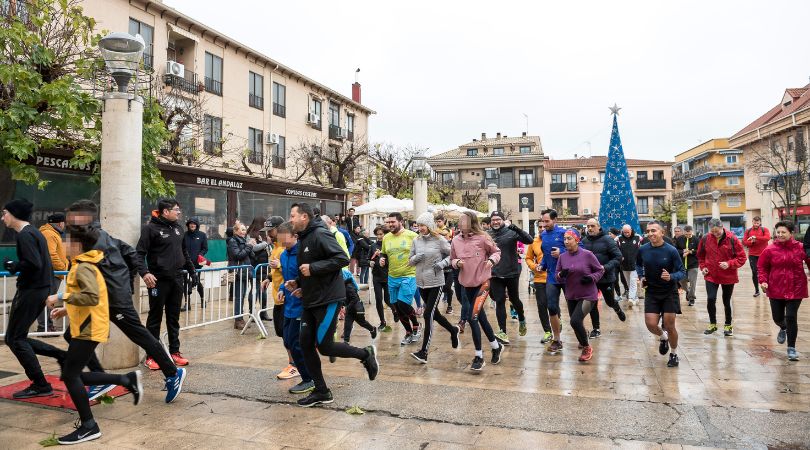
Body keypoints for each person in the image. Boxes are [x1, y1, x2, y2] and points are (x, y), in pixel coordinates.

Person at [66, 200, 186, 402]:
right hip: (103, 299)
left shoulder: (97, 237)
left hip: (114, 299)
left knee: (141, 335)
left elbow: (129, 254)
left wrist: (125, 284)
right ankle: (101, 379)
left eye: (71, 216)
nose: (67, 220)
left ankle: (173, 373)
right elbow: (130, 253)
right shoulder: (94, 235)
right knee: (72, 335)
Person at [45, 225, 143, 445]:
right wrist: (65, 308)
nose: (63, 244)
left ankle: (90, 426)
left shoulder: (84, 267)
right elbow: (86, 296)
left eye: (66, 240)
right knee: (72, 375)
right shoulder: (82, 264)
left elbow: (90, 296)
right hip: (87, 327)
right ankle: (126, 380)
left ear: (77, 245)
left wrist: (60, 296)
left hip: (88, 329)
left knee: (71, 376)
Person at [284, 203, 378, 407]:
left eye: (293, 215)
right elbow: (307, 268)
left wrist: (314, 268)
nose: (290, 219)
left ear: (304, 217)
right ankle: (322, 391)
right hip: (310, 299)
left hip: (328, 298)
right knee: (305, 343)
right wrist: (299, 283)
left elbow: (341, 258)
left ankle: (366, 354)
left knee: (325, 346)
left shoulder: (320, 234)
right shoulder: (304, 237)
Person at [2, 199, 65, 399]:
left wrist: (15, 265)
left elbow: (34, 263)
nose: (3, 217)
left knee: (15, 339)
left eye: (5, 213)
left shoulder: (25, 235)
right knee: (17, 337)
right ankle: (60, 355)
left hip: (31, 291)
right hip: (38, 289)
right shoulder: (34, 232)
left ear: (13, 214)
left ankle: (40, 383)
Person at [136, 198, 196, 366]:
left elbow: (183, 251)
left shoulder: (178, 228)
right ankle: (151, 356)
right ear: (165, 212)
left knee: (174, 317)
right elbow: (139, 254)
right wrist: (145, 273)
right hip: (158, 280)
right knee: (155, 318)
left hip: (177, 279)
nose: (179, 212)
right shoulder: (150, 229)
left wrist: (192, 270)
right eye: (176, 209)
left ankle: (174, 352)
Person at [450, 211, 503, 371]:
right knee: (481, 318)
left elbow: (496, 252)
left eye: (463, 220)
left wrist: (491, 261)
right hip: (466, 284)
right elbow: (451, 258)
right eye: (459, 220)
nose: (460, 223)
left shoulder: (483, 237)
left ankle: (479, 356)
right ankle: (495, 346)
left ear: (471, 222)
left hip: (483, 283)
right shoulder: (455, 240)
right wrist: (456, 262)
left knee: (472, 318)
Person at [267, 221, 315, 394]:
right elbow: (286, 277)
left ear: (295, 236)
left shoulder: (303, 254)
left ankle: (309, 378)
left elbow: (308, 277)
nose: (283, 244)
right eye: (280, 241)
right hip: (288, 305)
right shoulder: (284, 255)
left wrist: (303, 289)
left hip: (301, 307)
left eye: (285, 241)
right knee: (287, 340)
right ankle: (308, 375)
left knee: (296, 343)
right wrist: (281, 289)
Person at [408, 212, 460, 364]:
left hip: (436, 282)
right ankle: (453, 330)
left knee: (428, 314)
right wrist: (415, 258)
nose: (420, 228)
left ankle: (424, 352)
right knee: (434, 314)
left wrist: (442, 264)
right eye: (418, 226)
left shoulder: (439, 240)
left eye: (423, 225)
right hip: (421, 282)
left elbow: (452, 255)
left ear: (429, 226)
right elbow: (410, 261)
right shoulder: (416, 240)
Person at [636, 221, 686, 368]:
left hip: (669, 292)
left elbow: (681, 271)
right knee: (651, 324)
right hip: (651, 291)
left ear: (662, 233)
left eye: (654, 231)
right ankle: (663, 338)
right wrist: (641, 276)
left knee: (670, 325)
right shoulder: (643, 249)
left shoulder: (671, 250)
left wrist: (671, 276)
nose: (650, 234)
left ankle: (674, 354)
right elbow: (638, 264)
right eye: (648, 231)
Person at [758, 221, 808, 361]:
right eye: (778, 232)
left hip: (796, 287)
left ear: (791, 233)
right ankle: (783, 327)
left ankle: (791, 348)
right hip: (776, 288)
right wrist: (763, 281)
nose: (780, 234)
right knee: (777, 317)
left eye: (783, 232)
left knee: (791, 317)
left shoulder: (801, 248)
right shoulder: (769, 249)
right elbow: (762, 267)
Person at [555, 229, 605, 362]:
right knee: (576, 323)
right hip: (571, 295)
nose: (566, 241)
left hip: (588, 295)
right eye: (564, 239)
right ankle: (583, 338)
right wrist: (561, 275)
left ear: (577, 240)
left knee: (575, 321)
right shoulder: (562, 257)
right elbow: (557, 276)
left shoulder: (587, 255)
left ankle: (587, 347)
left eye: (569, 239)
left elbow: (600, 270)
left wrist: (591, 278)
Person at [487, 211, 533, 344]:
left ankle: (522, 318)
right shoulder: (488, 235)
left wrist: (517, 229)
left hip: (511, 272)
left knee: (514, 299)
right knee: (499, 300)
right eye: (493, 219)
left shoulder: (511, 232)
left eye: (498, 219)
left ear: (503, 220)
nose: (495, 222)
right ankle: (502, 331)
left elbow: (529, 240)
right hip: (495, 273)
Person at [696, 218, 746, 336]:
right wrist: (703, 267)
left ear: (722, 226)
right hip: (711, 275)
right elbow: (700, 256)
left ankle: (728, 325)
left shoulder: (732, 239)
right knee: (711, 299)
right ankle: (713, 324)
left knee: (726, 301)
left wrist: (729, 264)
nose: (715, 234)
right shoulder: (705, 238)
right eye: (713, 232)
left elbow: (742, 258)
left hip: (728, 275)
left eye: (717, 231)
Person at [581, 218, 626, 339]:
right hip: (590, 279)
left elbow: (618, 257)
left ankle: (617, 309)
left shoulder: (608, 240)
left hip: (605, 277)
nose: (590, 228)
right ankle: (596, 328)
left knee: (609, 301)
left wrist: (605, 267)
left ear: (599, 227)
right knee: (592, 303)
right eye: (588, 226)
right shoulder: (584, 241)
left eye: (593, 226)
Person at [381, 212, 421, 344]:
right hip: (392, 276)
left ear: (401, 222)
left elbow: (422, 253)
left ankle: (416, 325)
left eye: (393, 222)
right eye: (388, 222)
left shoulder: (413, 236)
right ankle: (408, 332)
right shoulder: (386, 238)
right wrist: (382, 259)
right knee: (397, 308)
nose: (390, 224)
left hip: (409, 275)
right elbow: (384, 254)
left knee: (403, 304)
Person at [539, 209, 568, 354]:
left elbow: (579, 250)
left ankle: (582, 336)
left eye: (547, 221)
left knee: (574, 309)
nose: (544, 225)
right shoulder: (543, 235)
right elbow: (546, 254)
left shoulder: (565, 233)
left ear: (555, 220)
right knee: (551, 307)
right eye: (542, 221)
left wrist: (561, 253)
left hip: (568, 277)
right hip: (551, 277)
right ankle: (557, 339)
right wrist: (542, 264)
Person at [38, 213, 68, 332]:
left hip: (54, 273)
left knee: (49, 300)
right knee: (48, 300)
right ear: (61, 223)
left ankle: (47, 326)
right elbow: (52, 255)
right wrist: (62, 268)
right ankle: (45, 326)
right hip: (53, 273)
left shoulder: (52, 233)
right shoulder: (49, 234)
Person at [525, 227, 553, 344]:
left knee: (552, 304)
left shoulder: (555, 239)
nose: (542, 228)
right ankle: (547, 331)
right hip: (539, 278)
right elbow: (528, 258)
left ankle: (558, 321)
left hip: (553, 278)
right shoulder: (534, 242)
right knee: (541, 305)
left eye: (544, 226)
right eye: (540, 226)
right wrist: (533, 266)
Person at [227, 223, 253, 329]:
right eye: (242, 229)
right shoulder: (232, 241)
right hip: (238, 272)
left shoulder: (244, 241)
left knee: (242, 296)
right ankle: (238, 320)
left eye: (244, 229)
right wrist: (249, 247)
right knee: (238, 297)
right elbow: (238, 255)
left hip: (245, 271)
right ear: (236, 231)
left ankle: (241, 318)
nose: (244, 231)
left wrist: (252, 247)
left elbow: (248, 255)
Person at [368, 226, 392, 332]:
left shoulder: (388, 245)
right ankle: (382, 321)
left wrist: (383, 260)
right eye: (377, 234)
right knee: (378, 299)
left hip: (387, 276)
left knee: (388, 299)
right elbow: (368, 259)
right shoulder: (373, 246)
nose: (379, 236)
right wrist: (371, 261)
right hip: (376, 276)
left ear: (385, 234)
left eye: (381, 234)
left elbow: (391, 261)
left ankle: (395, 311)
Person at [246, 217, 270, 321]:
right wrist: (266, 244)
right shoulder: (252, 235)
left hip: (263, 266)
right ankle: (252, 313)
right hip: (256, 266)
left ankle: (263, 312)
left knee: (262, 289)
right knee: (255, 289)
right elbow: (254, 248)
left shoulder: (262, 235)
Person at [182, 218, 207, 310]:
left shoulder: (202, 235)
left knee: (197, 281)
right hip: (185, 263)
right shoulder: (184, 235)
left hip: (197, 264)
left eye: (194, 224)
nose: (192, 225)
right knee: (185, 282)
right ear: (188, 225)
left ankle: (203, 299)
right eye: (190, 224)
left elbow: (205, 248)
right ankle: (187, 304)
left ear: (197, 225)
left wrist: (200, 254)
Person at [743, 216, 770, 298]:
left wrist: (756, 237)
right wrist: (752, 242)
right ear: (752, 222)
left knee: (766, 271)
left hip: (764, 254)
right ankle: (757, 290)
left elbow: (767, 238)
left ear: (760, 223)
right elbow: (744, 242)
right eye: (754, 223)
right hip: (752, 255)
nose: (756, 224)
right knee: (755, 272)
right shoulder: (748, 231)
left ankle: (766, 287)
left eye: (757, 223)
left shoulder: (764, 230)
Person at [674, 225, 699, 306]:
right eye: (686, 234)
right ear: (683, 232)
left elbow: (700, 251)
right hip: (682, 264)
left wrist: (690, 252)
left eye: (689, 234)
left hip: (693, 264)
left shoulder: (696, 239)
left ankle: (691, 298)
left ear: (692, 232)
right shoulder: (679, 239)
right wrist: (683, 252)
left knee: (692, 282)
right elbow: (675, 250)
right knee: (681, 281)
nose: (688, 236)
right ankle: (688, 291)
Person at [435, 215, 455, 315]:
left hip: (450, 269)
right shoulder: (437, 243)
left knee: (447, 287)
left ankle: (450, 305)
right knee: (440, 288)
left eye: (439, 221)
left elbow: (445, 232)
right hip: (440, 269)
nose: (438, 223)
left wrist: (436, 232)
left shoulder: (447, 233)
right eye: (436, 221)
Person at [617, 224, 642, 306]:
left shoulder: (638, 237)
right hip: (624, 265)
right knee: (628, 282)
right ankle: (635, 297)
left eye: (628, 232)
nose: (626, 234)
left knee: (633, 281)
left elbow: (643, 247)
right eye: (625, 232)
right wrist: (620, 257)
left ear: (631, 230)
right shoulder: (618, 239)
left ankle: (631, 298)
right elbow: (615, 249)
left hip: (635, 264)